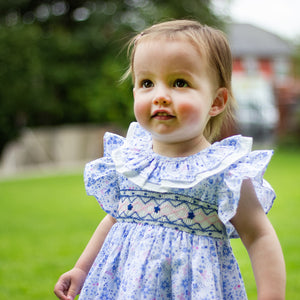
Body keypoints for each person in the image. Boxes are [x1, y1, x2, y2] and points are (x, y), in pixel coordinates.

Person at [54, 19, 286, 299]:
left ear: (216, 101)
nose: (160, 96)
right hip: (124, 289)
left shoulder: (222, 172)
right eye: (147, 83)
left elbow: (258, 235)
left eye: (179, 82)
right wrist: (81, 269)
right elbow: (116, 218)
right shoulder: (132, 160)